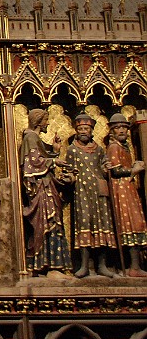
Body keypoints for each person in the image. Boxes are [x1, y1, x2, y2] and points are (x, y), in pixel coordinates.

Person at [19, 108, 72, 276]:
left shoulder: (34, 138)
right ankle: (49, 266)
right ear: (38, 121)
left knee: (53, 223)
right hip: (41, 189)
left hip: (47, 185)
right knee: (48, 224)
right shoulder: (30, 137)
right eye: (45, 120)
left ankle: (54, 265)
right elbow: (32, 162)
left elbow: (41, 157)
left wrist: (54, 151)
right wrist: (54, 161)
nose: (47, 123)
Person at [64, 112, 116, 277]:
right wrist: (69, 177)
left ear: (91, 130)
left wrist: (106, 169)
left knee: (102, 225)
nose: (83, 131)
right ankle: (84, 265)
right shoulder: (72, 150)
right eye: (80, 129)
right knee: (84, 223)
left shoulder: (99, 150)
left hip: (99, 191)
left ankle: (102, 265)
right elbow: (69, 170)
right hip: (82, 192)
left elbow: (103, 167)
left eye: (86, 128)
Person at [106, 113, 147, 277]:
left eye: (124, 127)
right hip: (121, 189)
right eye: (118, 128)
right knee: (130, 224)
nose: (122, 130)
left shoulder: (124, 147)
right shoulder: (114, 147)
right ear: (112, 132)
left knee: (136, 223)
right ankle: (133, 267)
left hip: (128, 188)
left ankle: (136, 265)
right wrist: (133, 170)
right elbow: (115, 170)